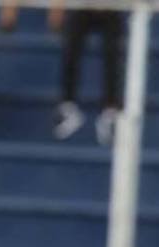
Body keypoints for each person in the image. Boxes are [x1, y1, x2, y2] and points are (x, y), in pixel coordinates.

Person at [52, 9, 123, 146]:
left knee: (113, 52)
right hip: (83, 6)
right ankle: (68, 104)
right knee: (70, 47)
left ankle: (110, 109)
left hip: (112, 7)